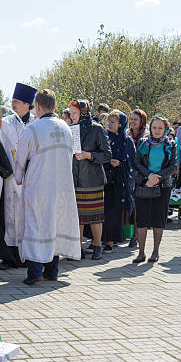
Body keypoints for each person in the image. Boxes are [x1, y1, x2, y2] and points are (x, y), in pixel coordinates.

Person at [14, 89, 81, 284]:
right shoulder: (66, 128)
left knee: (37, 225)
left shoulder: (33, 129)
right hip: (62, 185)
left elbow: (21, 157)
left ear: (37, 106)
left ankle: (35, 272)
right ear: (55, 106)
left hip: (39, 185)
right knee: (55, 223)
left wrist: (18, 177)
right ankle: (52, 271)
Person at [0, 83, 37, 270]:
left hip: (31, 178)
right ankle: (8, 257)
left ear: (26, 104)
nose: (13, 104)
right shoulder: (4, 124)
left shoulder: (37, 123)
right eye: (13, 101)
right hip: (9, 177)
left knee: (28, 216)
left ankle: (28, 255)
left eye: (17, 101)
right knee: (8, 215)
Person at [68, 99, 112, 259]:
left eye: (74, 113)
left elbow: (107, 155)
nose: (71, 116)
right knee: (78, 217)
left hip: (93, 180)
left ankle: (97, 246)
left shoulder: (97, 129)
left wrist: (89, 155)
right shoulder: (70, 129)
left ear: (83, 112)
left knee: (95, 217)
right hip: (75, 179)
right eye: (70, 113)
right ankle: (77, 249)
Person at [132, 116, 178, 263]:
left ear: (165, 129)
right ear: (150, 128)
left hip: (163, 185)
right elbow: (137, 162)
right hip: (144, 184)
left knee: (159, 219)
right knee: (142, 219)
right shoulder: (142, 143)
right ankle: (141, 253)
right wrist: (150, 176)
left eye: (160, 128)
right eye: (154, 128)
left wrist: (158, 178)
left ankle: (155, 251)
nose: (157, 131)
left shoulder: (171, 144)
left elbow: (173, 166)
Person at [103, 110, 136, 253]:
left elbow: (133, 162)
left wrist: (120, 163)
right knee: (104, 210)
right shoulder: (105, 137)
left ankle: (111, 241)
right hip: (105, 179)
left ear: (121, 124)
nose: (110, 125)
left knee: (115, 211)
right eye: (109, 122)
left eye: (113, 122)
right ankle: (100, 239)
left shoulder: (126, 140)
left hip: (120, 181)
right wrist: (108, 162)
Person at [126, 108, 149, 247]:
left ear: (142, 121)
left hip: (141, 175)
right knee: (129, 204)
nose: (132, 122)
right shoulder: (126, 134)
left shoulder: (146, 136)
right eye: (131, 119)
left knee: (139, 206)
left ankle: (136, 235)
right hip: (128, 174)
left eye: (135, 119)